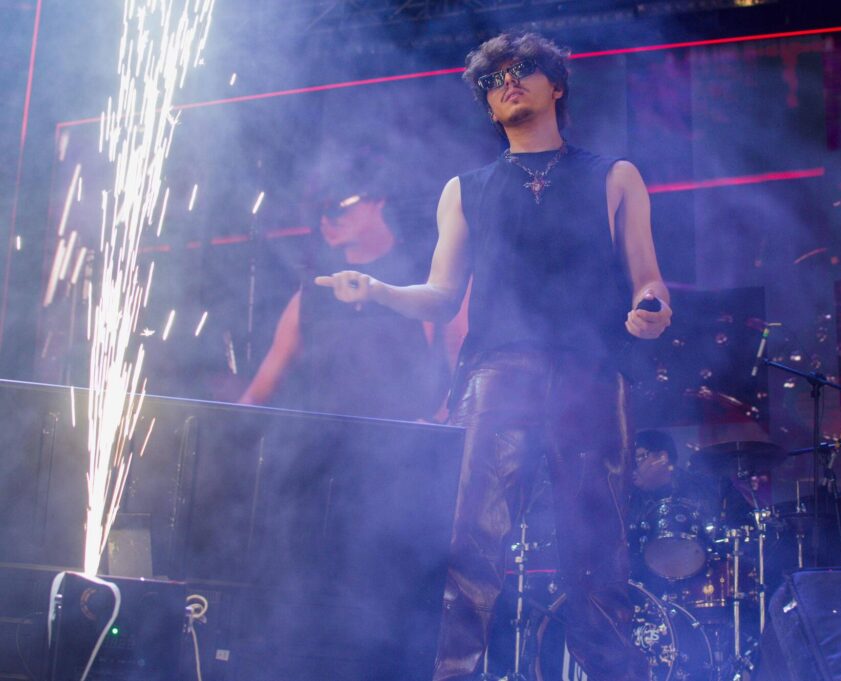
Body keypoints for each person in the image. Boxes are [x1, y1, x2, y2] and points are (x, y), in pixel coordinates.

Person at [315, 32, 672, 681]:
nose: (508, 82)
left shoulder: (615, 176)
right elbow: (442, 294)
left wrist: (651, 309)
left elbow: (647, 277)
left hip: (592, 372)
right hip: (499, 373)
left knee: (599, 551)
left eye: (523, 69)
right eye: (493, 79)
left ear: (556, 85)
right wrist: (378, 290)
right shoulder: (465, 189)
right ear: (486, 104)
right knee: (472, 547)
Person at [239, 188, 442, 420]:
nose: (325, 220)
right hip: (323, 440)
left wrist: (433, 429)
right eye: (319, 212)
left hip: (403, 440)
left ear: (377, 200)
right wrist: (222, 425)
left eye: (338, 207)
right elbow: (257, 394)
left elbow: (459, 375)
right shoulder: (312, 295)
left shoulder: (427, 283)